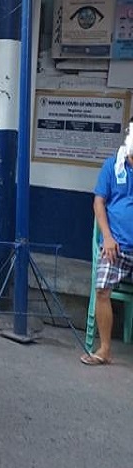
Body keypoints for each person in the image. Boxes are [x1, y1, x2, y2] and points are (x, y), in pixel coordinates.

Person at [81, 119, 133, 366]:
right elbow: (98, 202)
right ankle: (104, 350)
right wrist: (108, 238)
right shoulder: (113, 166)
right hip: (116, 247)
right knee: (102, 289)